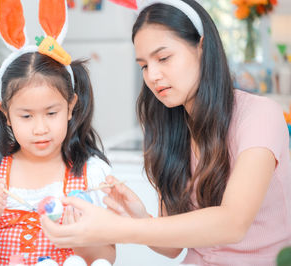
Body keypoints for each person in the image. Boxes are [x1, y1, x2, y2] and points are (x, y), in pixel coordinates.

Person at [40, 0, 291, 265]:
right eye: (144, 66)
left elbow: (233, 223)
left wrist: (114, 228)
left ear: (202, 48)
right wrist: (139, 218)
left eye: (163, 58)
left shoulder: (260, 115)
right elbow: (173, 249)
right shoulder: (168, 128)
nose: (153, 76)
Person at [0, 0, 115, 265]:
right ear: (5, 112)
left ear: (71, 106)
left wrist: (80, 237)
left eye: (51, 113)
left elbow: (107, 257)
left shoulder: (90, 174)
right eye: (26, 116)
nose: (40, 129)